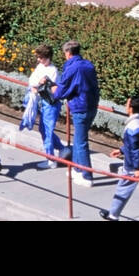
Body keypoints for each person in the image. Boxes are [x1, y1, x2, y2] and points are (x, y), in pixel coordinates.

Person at [99, 95, 139, 221]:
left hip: (134, 168)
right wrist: (122, 150)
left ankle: (113, 215)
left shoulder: (133, 126)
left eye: (127, 104)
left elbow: (136, 149)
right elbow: (137, 144)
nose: (125, 106)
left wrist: (137, 168)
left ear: (131, 109)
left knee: (122, 189)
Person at [52, 39, 100, 186]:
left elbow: (63, 90)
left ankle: (86, 175)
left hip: (80, 107)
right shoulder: (88, 65)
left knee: (80, 142)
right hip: (92, 105)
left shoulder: (72, 68)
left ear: (68, 53)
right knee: (79, 139)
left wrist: (54, 90)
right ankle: (77, 170)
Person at [27, 43, 65, 169]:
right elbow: (32, 80)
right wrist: (38, 83)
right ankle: (61, 148)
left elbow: (47, 88)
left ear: (47, 57)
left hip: (50, 103)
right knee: (43, 129)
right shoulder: (40, 67)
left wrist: (37, 85)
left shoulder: (53, 71)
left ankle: (51, 159)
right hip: (44, 102)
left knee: (47, 131)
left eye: (40, 57)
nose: (38, 60)